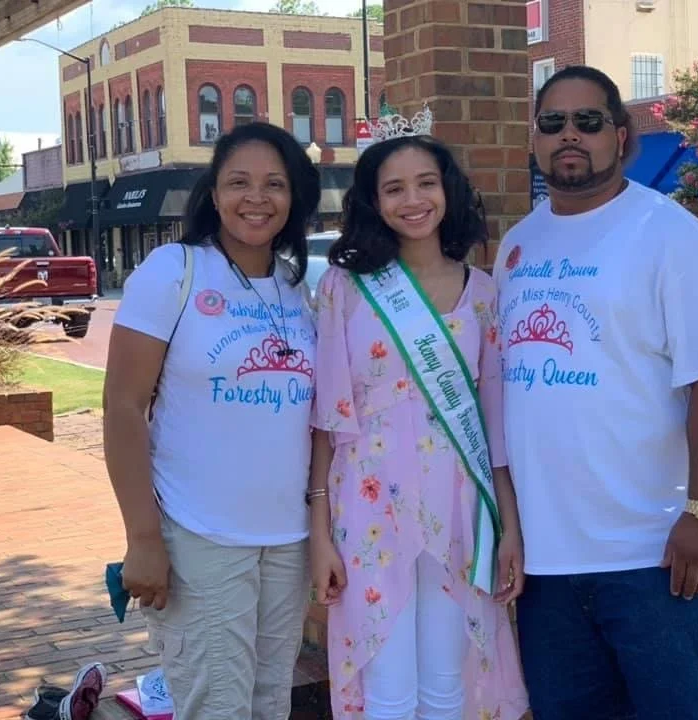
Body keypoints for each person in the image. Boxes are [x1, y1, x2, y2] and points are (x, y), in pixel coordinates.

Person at [493, 65, 698, 719]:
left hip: (651, 554)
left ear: (621, 134)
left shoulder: (668, 233)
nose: (569, 135)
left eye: (588, 121)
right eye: (553, 122)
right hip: (546, 564)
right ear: (534, 137)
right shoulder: (517, 245)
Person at [308, 126, 530, 720]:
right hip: (367, 504)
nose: (413, 200)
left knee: (445, 686)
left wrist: (509, 528)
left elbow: (494, 425)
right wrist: (319, 532)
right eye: (394, 189)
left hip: (459, 504)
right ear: (373, 201)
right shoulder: (344, 289)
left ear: (448, 191)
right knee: (385, 685)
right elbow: (327, 420)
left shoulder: (482, 293)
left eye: (426, 183)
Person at [103, 121, 321, 719]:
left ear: (294, 196)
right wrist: (143, 539)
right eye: (239, 182)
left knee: (269, 705)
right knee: (216, 708)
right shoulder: (174, 270)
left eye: (275, 183)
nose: (257, 198)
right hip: (201, 536)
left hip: (286, 539)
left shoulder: (294, 286)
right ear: (214, 192)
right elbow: (123, 408)